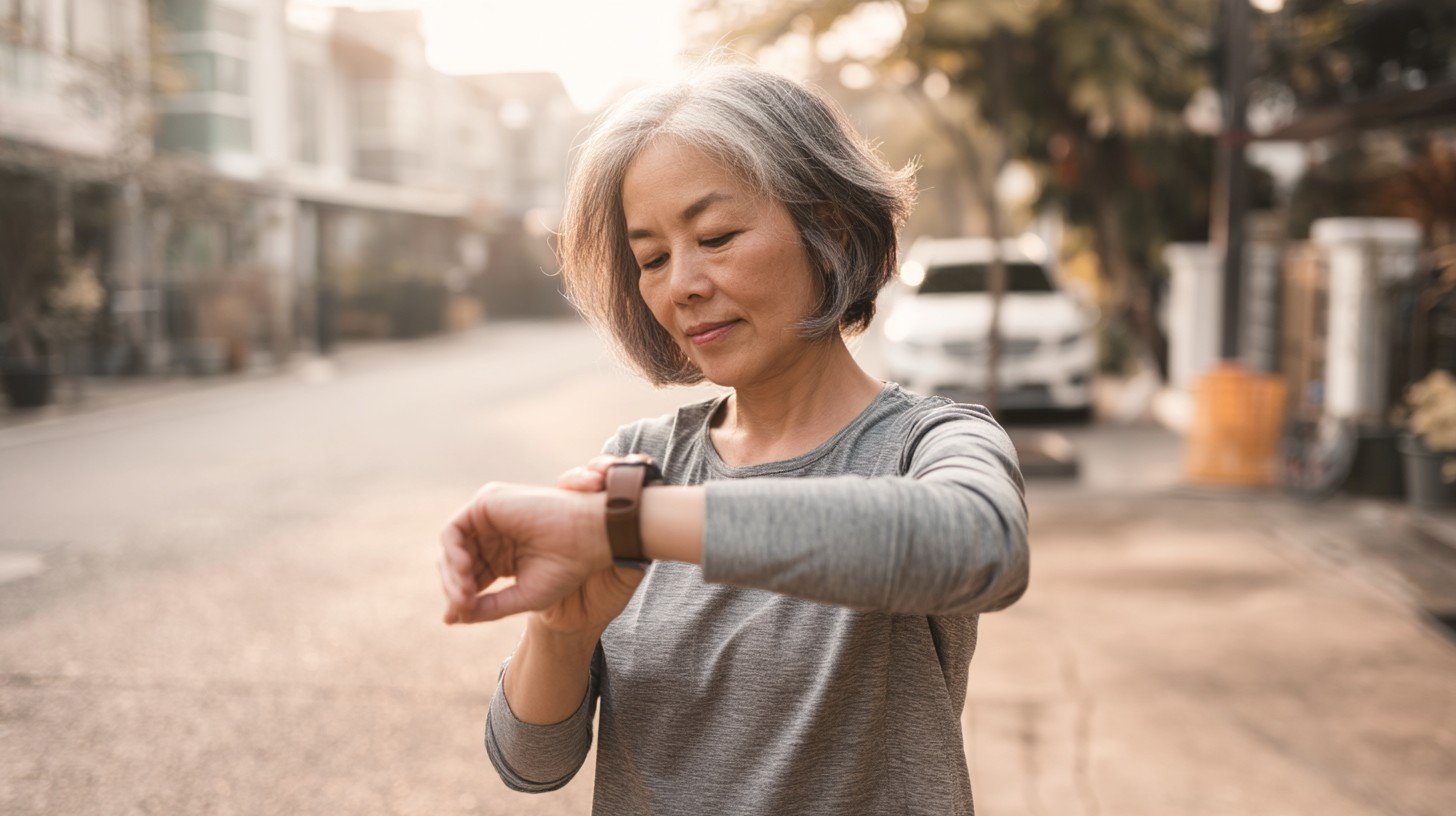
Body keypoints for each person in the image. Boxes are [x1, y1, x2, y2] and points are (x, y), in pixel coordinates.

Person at [437, 63, 1030, 815]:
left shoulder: (928, 443)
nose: (679, 284)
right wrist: (565, 626)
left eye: (714, 237)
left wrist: (629, 525)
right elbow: (531, 762)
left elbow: (982, 548)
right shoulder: (638, 463)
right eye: (651, 258)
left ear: (829, 228)